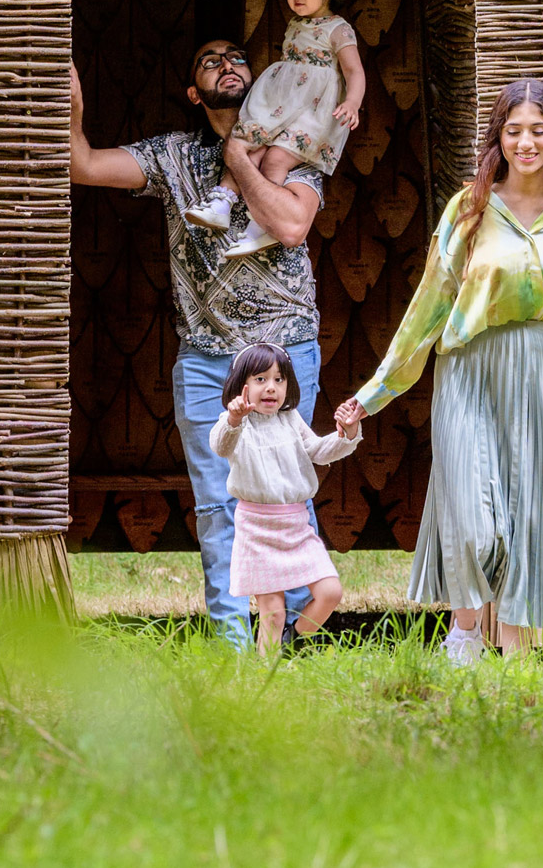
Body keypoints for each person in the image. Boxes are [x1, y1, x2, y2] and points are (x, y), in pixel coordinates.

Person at [334, 78, 543, 664]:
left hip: (538, 371)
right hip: (468, 371)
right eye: (514, 130)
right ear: (498, 136)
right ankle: (465, 631)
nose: (526, 142)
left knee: (530, 511)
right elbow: (429, 306)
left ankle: (515, 652)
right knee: (471, 511)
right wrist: (373, 393)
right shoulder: (467, 209)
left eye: (538, 131)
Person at [69, 37, 328, 649]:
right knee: (219, 503)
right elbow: (82, 165)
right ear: (194, 92)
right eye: (211, 61)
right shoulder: (173, 155)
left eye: (238, 59)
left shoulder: (298, 143)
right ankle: (235, 645)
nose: (228, 67)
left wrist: (240, 156)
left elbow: (291, 225)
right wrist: (73, 102)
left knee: (285, 492)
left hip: (285, 350)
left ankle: (290, 640)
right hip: (206, 358)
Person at [186, 0, 367, 259]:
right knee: (245, 145)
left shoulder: (338, 28)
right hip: (283, 102)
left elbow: (354, 71)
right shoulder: (296, 23)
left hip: (311, 110)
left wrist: (352, 101)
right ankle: (223, 200)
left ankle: (262, 227)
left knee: (274, 161)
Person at [211, 341, 361, 654]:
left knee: (330, 591)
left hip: (296, 527)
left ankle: (293, 640)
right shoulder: (238, 426)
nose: (271, 388)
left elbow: (319, 452)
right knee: (272, 613)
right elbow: (221, 446)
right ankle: (265, 679)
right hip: (256, 528)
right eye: (261, 379)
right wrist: (234, 419)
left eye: (279, 380)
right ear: (242, 386)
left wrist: (347, 432)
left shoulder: (290, 420)